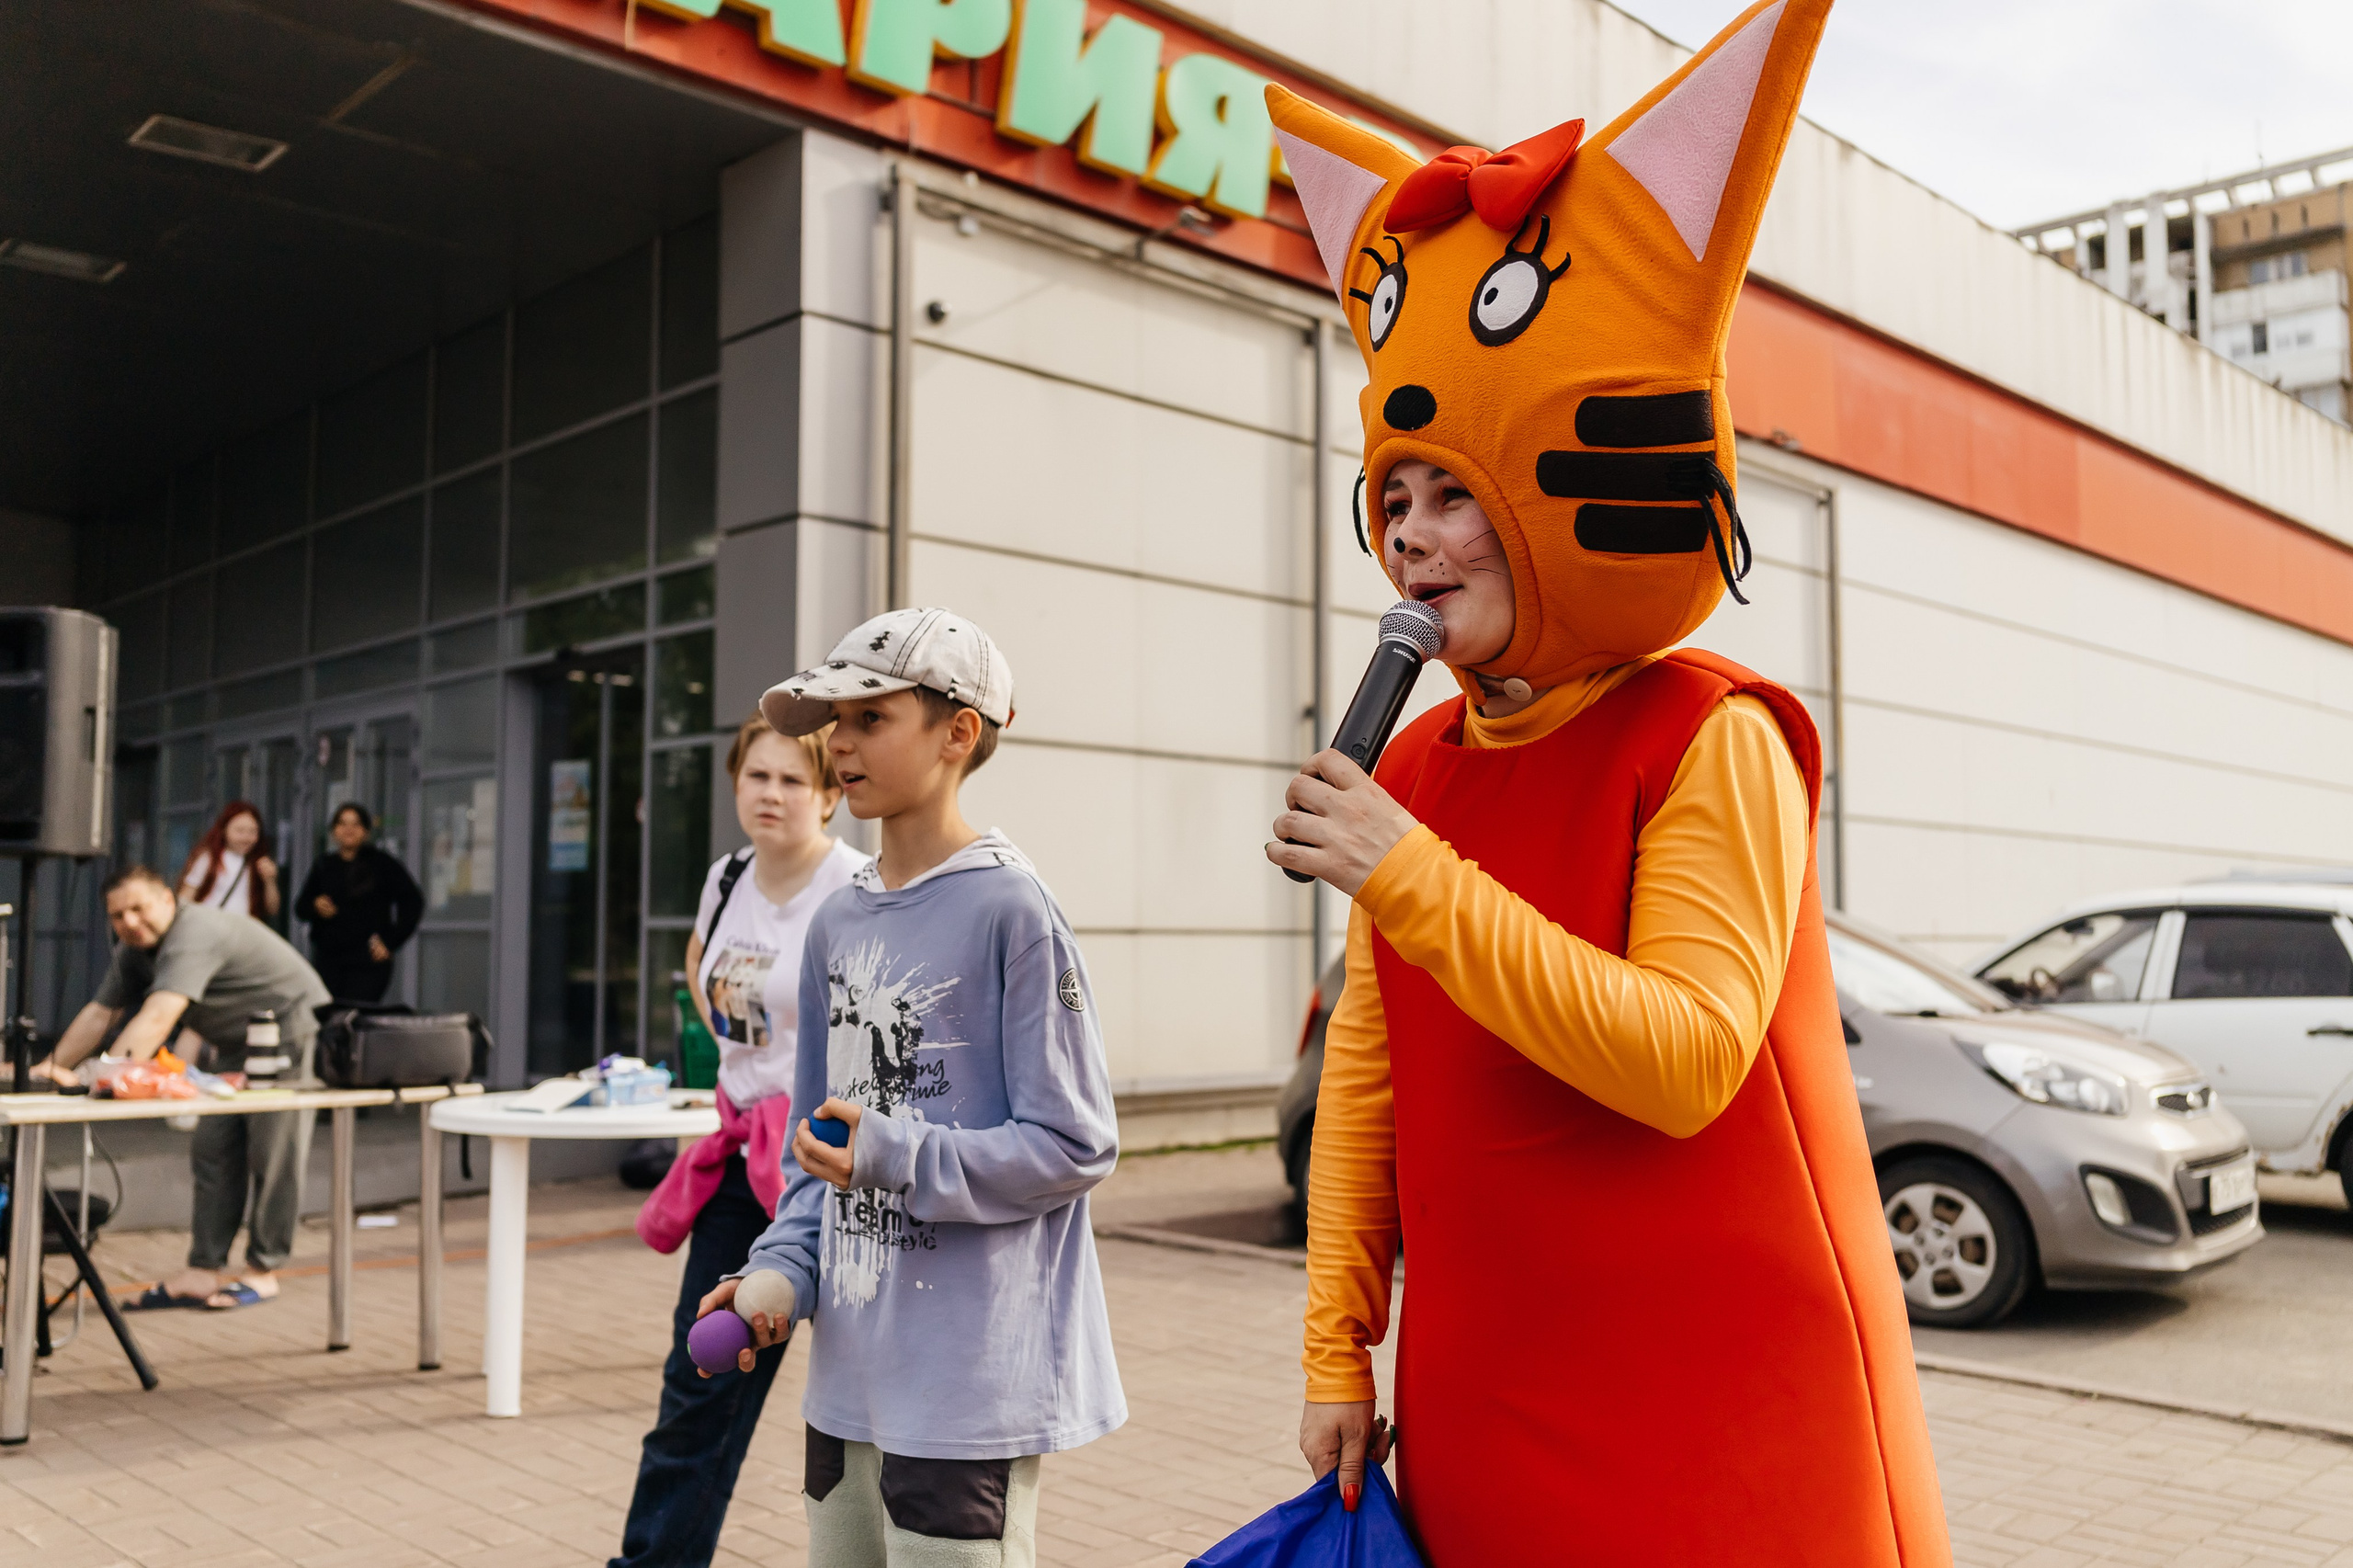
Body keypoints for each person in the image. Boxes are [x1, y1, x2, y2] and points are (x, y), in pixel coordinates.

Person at [1259, 6, 1949, 1565]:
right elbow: (1369, 1074)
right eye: (1396, 496)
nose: (1412, 537)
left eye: (1455, 494)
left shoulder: (1713, 732)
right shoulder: (1419, 761)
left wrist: (1403, 870)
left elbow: (1686, 1059)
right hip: (1485, 1381)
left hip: (1723, 1396)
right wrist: (1334, 1349)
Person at [715, 608, 1124, 1568]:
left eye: (869, 717)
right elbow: (817, 1151)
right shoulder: (836, 921)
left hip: (967, 1388)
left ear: (957, 732)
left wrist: (892, 1153)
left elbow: (1075, 1144)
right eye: (834, 720)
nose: (838, 742)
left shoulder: (1011, 909)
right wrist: (779, 1271)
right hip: (847, 1377)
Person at [611, 711, 869, 1568]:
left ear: (832, 794)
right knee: (701, 1381)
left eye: (794, 780)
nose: (772, 794)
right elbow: (698, 963)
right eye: (757, 776)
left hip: (836, 1171)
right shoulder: (726, 879)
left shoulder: (856, 889)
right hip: (737, 1167)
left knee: (868, 1406)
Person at [34, 865, 331, 1310]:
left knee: (273, 1151)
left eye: (139, 908)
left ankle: (263, 1271)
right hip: (233, 1043)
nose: (129, 922)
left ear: (169, 901)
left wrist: (103, 1080)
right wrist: (48, 1069)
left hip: (289, 1031)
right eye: (117, 916)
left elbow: (158, 1016)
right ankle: (202, 1270)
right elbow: (101, 1013)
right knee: (213, 1149)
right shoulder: (134, 950)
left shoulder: (195, 932)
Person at [294, 802, 422, 1003]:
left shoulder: (382, 864)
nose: (349, 830)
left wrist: (391, 941)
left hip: (367, 960)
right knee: (330, 1016)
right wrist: (315, 905)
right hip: (329, 960)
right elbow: (300, 908)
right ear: (334, 831)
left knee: (357, 1014)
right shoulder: (324, 864)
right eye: (342, 824)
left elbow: (412, 901)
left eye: (356, 824)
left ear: (366, 831)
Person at [179, 801, 280, 920]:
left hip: (242, 933)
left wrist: (270, 881)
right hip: (211, 928)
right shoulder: (209, 858)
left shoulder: (258, 863)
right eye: (239, 831)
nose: (246, 838)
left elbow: (272, 909)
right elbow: (185, 897)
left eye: (253, 831)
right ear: (224, 830)